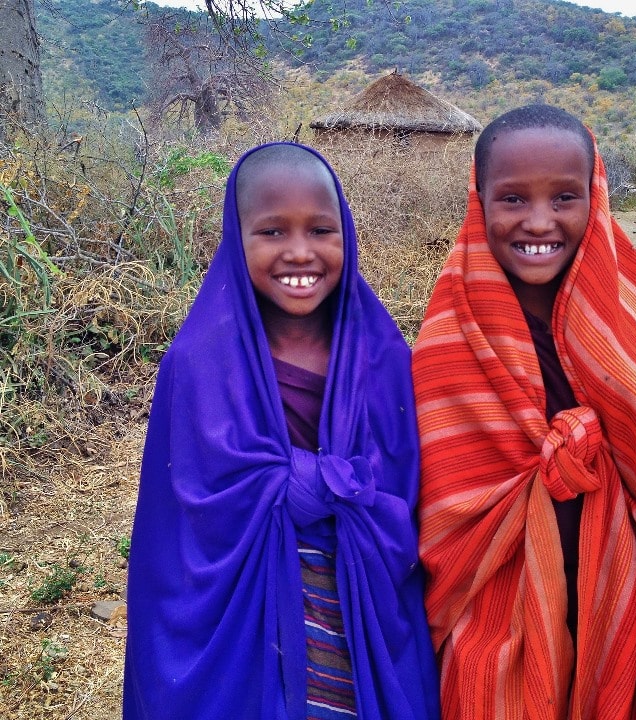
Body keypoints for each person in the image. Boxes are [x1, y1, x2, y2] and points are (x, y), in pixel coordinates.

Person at [412, 104, 636, 719]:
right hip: (490, 612)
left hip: (616, 599)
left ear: (595, 198)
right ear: (479, 203)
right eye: (512, 199)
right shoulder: (450, 339)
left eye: (563, 198)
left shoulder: (630, 329)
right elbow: (442, 503)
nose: (538, 221)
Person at [123, 142, 440, 720]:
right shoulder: (200, 362)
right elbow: (181, 526)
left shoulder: (383, 354)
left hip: (359, 602)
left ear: (347, 232)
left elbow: (404, 491)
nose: (300, 253)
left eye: (321, 230)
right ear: (235, 239)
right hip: (243, 615)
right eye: (272, 232)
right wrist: (298, 487)